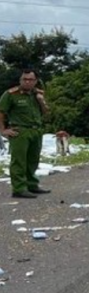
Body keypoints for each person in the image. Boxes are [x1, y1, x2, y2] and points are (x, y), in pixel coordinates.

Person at [0, 69, 50, 199]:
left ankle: (32, 185)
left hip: (36, 130)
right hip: (20, 131)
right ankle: (19, 189)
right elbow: (1, 112)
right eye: (24, 79)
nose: (27, 82)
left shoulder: (37, 94)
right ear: (20, 80)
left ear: (36, 81)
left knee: (33, 160)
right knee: (19, 161)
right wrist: (3, 130)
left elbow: (46, 112)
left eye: (30, 80)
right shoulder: (11, 94)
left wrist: (41, 100)